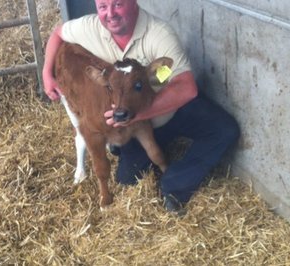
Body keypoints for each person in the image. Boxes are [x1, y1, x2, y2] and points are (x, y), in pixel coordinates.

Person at [42, 0, 240, 214]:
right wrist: (46, 75)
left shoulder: (158, 33)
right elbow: (58, 34)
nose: (110, 14)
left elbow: (187, 88)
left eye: (118, 4)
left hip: (170, 109)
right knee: (127, 179)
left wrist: (138, 115)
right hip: (131, 126)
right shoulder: (91, 27)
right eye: (103, 7)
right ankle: (130, 150)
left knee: (225, 130)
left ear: (133, 2)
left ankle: (174, 185)